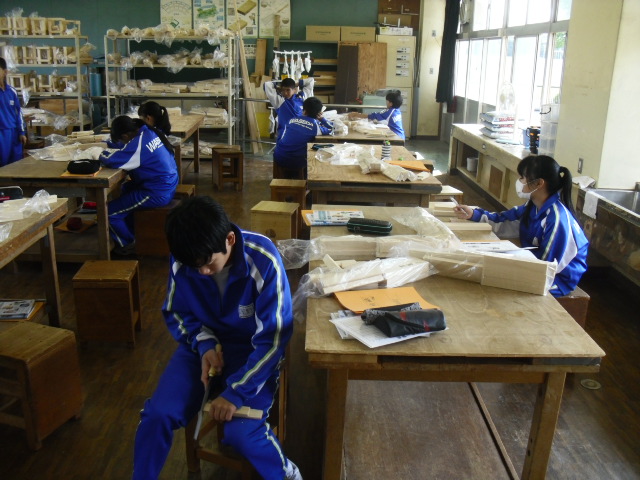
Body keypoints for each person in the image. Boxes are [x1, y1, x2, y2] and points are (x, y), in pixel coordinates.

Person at [132, 195, 301, 480]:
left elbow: (273, 338)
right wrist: (204, 344)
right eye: (194, 266)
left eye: (209, 263)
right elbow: (177, 312)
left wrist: (236, 392)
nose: (202, 272)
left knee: (241, 433)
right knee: (157, 415)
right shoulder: (186, 257)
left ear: (230, 240)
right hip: (203, 346)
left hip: (253, 351)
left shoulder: (263, 258)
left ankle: (287, 473)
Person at [453, 155, 588, 297]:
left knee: (494, 284)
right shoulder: (533, 206)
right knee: (486, 271)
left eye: (522, 177)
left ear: (539, 183)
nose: (519, 182)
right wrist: (474, 214)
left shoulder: (557, 220)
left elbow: (546, 268)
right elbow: (503, 220)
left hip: (558, 279)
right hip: (536, 265)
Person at [100, 115, 178, 255]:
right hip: (167, 184)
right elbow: (127, 147)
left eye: (121, 139)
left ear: (125, 135)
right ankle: (132, 229)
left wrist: (98, 153)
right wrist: (109, 144)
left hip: (156, 192)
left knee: (108, 212)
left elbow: (113, 161)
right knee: (125, 188)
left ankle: (128, 243)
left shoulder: (140, 142)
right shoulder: (147, 132)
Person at [273, 96, 333, 179]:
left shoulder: (291, 120)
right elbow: (335, 128)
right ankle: (305, 179)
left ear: (304, 111)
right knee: (314, 152)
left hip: (279, 157)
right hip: (297, 162)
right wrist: (322, 120)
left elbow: (281, 138)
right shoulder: (316, 128)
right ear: (319, 113)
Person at [264, 76, 315, 141]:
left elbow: (311, 81)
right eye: (283, 90)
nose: (285, 93)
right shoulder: (279, 101)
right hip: (285, 137)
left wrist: (296, 83)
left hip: (301, 136)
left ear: (294, 90)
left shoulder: (303, 97)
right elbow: (266, 85)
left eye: (288, 90)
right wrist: (278, 85)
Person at [0, 57, 27, 167]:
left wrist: (21, 132)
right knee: (3, 164)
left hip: (14, 133)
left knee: (17, 163)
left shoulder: (12, 91)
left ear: (5, 72)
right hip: (1, 133)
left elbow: (18, 112)